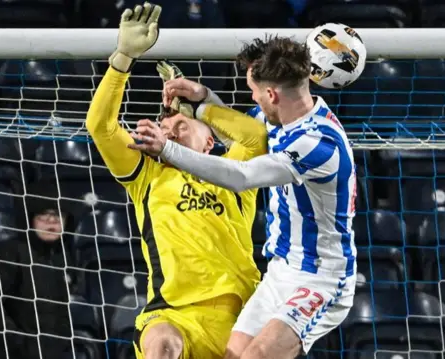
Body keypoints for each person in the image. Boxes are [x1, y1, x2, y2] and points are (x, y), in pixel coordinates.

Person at [129, 35, 358, 359]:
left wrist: (168, 148)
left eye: (253, 91)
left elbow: (242, 176)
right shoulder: (283, 116)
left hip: (321, 277)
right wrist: (203, 98)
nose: (251, 98)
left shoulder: (319, 145)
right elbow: (240, 134)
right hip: (282, 269)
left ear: (271, 94)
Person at [85, 3, 265, 358]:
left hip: (243, 316)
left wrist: (199, 106)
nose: (171, 132)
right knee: (163, 346)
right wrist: (123, 58)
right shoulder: (147, 175)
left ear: (209, 140)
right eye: (165, 130)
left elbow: (255, 137)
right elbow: (100, 127)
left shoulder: (235, 173)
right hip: (172, 313)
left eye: (181, 127)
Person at [0, 182, 77, 359]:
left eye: (58, 214)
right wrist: (20, 343)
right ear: (30, 217)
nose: (51, 220)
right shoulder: (9, 253)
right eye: (44, 214)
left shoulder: (64, 259)